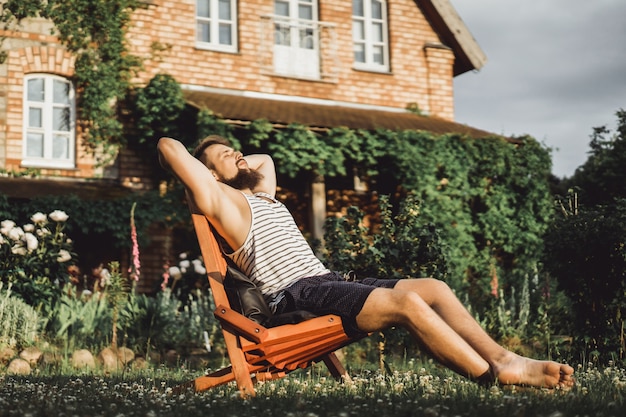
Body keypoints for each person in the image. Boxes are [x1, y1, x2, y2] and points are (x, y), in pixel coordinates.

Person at [157, 135, 575, 389]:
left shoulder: (260, 195)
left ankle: (504, 360)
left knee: (433, 288)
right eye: (228, 156)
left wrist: (235, 161)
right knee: (407, 305)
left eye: (236, 150)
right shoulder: (224, 204)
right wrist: (209, 166)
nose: (241, 155)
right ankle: (490, 377)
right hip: (297, 295)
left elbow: (265, 160)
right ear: (207, 176)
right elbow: (168, 148)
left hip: (326, 281)